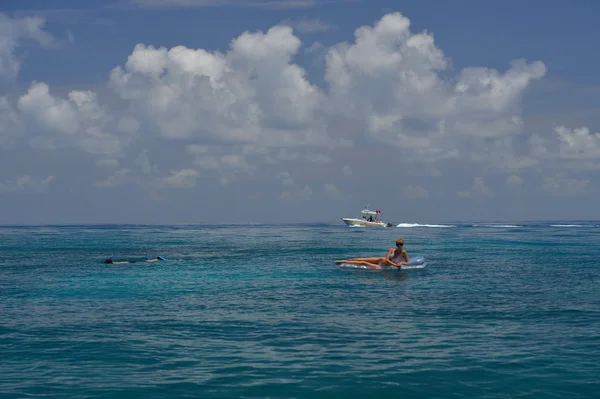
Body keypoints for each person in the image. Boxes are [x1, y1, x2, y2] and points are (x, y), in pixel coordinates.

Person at [335, 238, 409, 268]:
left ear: (403, 245)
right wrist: (396, 265)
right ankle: (343, 261)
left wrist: (402, 263)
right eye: (397, 244)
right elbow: (386, 259)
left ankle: (342, 262)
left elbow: (408, 262)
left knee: (363, 263)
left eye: (400, 245)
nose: (399, 246)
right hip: (380, 260)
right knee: (360, 259)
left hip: (382, 266)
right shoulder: (392, 249)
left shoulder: (403, 252)